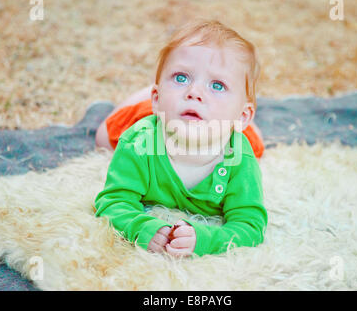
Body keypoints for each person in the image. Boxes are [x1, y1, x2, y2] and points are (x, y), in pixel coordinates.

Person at [94, 19, 268, 258]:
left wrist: (206, 240)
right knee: (104, 137)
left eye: (217, 85)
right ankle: (145, 95)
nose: (194, 92)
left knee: (259, 145)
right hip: (159, 116)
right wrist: (141, 227)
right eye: (181, 78)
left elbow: (249, 226)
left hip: (224, 127)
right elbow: (113, 202)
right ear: (157, 99)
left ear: (243, 116)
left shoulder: (240, 158)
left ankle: (230, 111)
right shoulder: (138, 142)